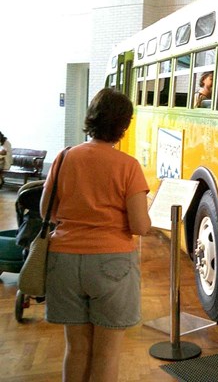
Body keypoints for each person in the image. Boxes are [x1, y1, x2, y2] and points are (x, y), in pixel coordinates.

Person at [41, 88, 151, 382]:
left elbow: (45, 212)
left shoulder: (64, 158)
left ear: (91, 118)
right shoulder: (128, 166)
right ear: (123, 126)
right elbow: (140, 226)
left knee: (75, 349)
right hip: (112, 263)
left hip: (63, 260)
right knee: (106, 354)